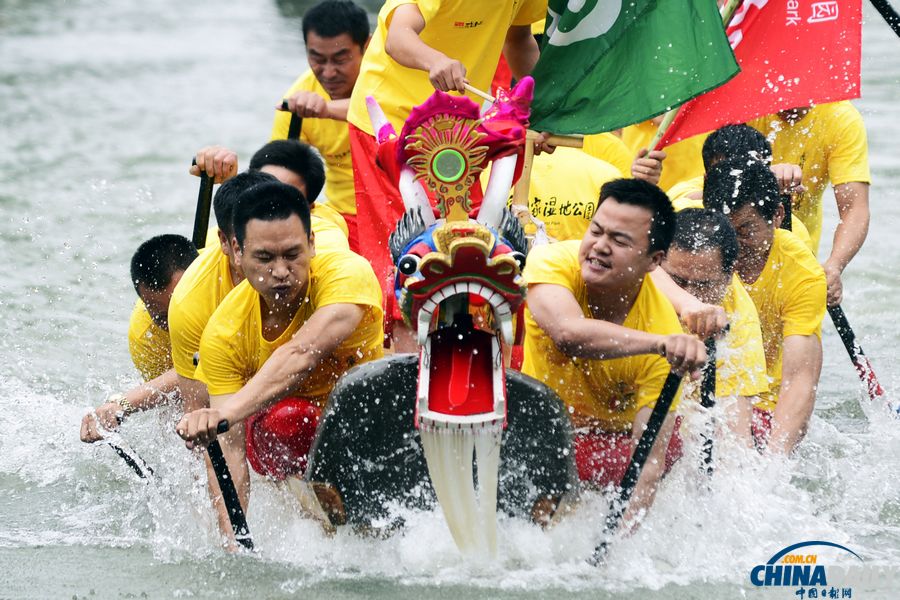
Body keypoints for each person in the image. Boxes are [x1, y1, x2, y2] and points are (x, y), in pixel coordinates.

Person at [175, 181, 383, 542]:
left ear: (312, 244)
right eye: (265, 258)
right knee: (290, 419)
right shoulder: (223, 333)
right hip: (286, 431)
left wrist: (224, 414)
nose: (282, 271)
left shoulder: (346, 272)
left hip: (360, 417)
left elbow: (302, 353)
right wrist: (233, 545)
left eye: (292, 254)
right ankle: (321, 515)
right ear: (236, 252)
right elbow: (229, 450)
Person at [345, 0, 546, 340]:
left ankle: (474, 355)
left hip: (459, 128)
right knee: (412, 252)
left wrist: (546, 113)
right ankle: (404, 357)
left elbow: (519, 40)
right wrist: (434, 60)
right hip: (391, 123)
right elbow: (398, 36)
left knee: (477, 245)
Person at [521, 178, 707, 529]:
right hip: (544, 429)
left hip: (611, 446)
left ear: (654, 260)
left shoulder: (662, 328)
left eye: (619, 241)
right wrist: (658, 344)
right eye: (596, 231)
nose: (599, 247)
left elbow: (647, 466)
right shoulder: (554, 262)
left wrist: (617, 546)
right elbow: (568, 334)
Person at [704, 158, 826, 453]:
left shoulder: (802, 271)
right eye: (724, 230)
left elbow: (800, 379)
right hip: (704, 391)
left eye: (746, 230)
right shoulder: (696, 245)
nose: (733, 245)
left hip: (763, 400)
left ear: (777, 215)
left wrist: (773, 466)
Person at [168, 171, 279, 415]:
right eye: (257, 248)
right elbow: (198, 410)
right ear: (226, 243)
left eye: (285, 246)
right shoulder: (189, 304)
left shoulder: (324, 249)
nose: (278, 267)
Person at [662, 209, 769, 447]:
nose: (691, 295)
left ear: (730, 275)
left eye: (703, 285)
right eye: (678, 281)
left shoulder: (739, 321)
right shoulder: (637, 269)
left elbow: (735, 436)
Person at [748, 102, 871, 306]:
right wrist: (764, 179)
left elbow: (854, 209)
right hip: (742, 250)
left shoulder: (841, 118)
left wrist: (835, 265)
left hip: (800, 252)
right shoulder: (744, 108)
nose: (789, 103)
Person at [80, 235, 198, 443]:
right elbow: (183, 390)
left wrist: (126, 402)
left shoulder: (227, 275)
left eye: (182, 307)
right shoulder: (145, 337)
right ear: (146, 304)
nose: (177, 321)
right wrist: (118, 405)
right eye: (164, 318)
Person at [273, 0, 369, 250]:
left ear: (367, 46)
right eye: (317, 59)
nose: (328, 72)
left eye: (340, 59)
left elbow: (385, 108)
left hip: (407, 209)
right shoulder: (296, 103)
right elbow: (276, 179)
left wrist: (326, 109)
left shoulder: (390, 80)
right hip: (345, 219)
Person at [666, 124, 813, 249]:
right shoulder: (681, 208)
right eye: (725, 175)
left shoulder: (795, 230)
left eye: (749, 176)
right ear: (706, 180)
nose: (736, 183)